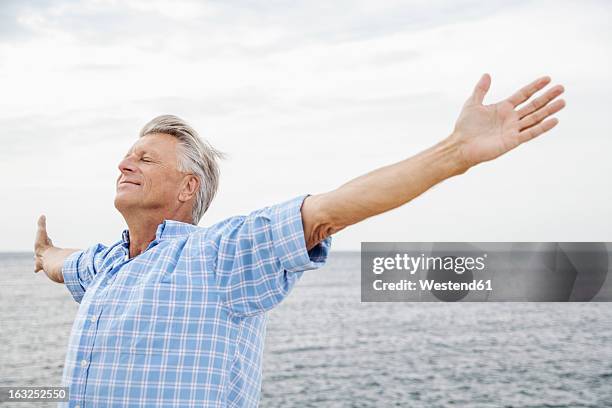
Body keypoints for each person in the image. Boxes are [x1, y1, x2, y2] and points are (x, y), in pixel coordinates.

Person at [34, 74, 565, 407]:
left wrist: (454, 153)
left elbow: (335, 206)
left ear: (188, 187)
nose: (125, 163)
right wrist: (43, 253)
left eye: (145, 158)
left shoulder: (220, 255)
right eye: (127, 156)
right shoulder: (106, 264)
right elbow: (63, 263)